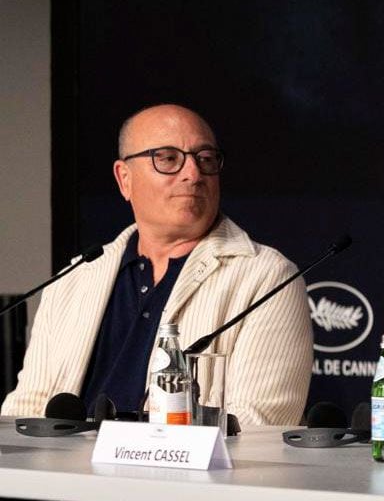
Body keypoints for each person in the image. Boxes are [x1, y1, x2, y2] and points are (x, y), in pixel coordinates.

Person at [4, 104, 312, 425]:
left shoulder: (268, 277)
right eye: (167, 158)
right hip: (67, 473)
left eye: (205, 159)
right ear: (125, 179)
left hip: (179, 474)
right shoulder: (74, 278)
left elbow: (258, 423)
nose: (193, 174)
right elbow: (28, 405)